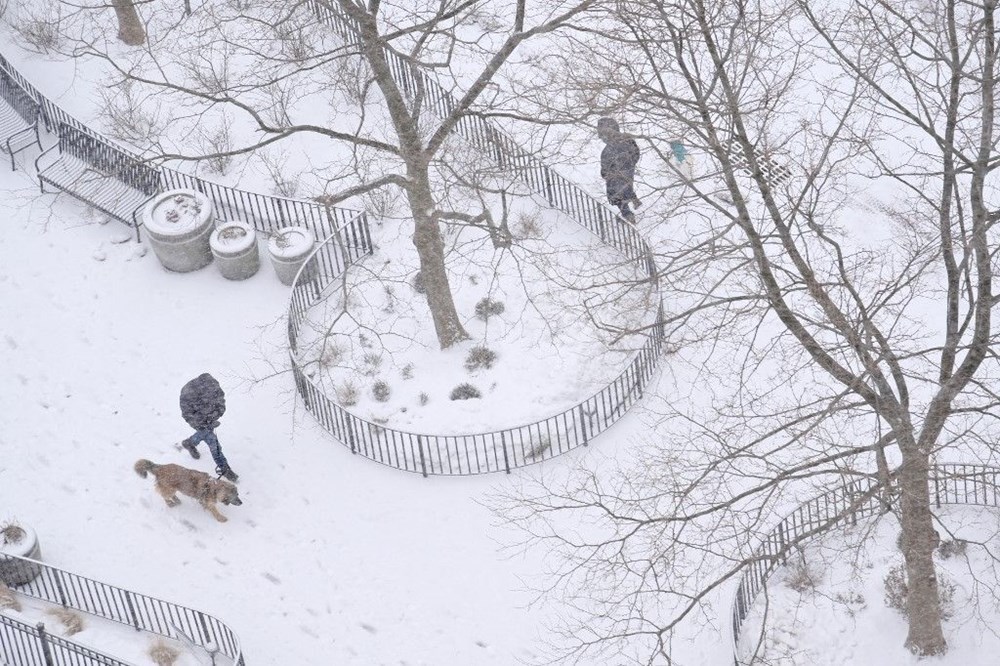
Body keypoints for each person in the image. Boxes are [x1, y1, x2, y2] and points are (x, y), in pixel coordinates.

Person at [178, 373, 238, 483]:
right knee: (213, 442)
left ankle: (190, 442)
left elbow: (221, 402)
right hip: (196, 420)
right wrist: (203, 422)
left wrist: (214, 415)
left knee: (207, 435)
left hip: (209, 418)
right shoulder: (188, 392)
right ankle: (224, 468)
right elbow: (187, 413)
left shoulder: (213, 385)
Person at [597, 117, 641, 223]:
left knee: (616, 196)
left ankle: (628, 216)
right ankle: (635, 201)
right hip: (628, 170)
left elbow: (605, 170)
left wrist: (607, 174)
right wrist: (630, 165)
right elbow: (636, 153)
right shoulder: (629, 141)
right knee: (626, 187)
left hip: (614, 177)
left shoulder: (608, 150)